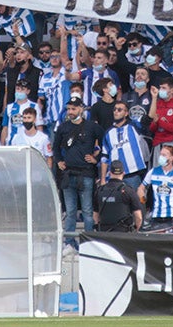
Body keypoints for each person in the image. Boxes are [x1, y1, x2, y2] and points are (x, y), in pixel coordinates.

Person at [53, 98, 102, 239]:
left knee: (87, 211)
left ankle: (88, 242)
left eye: (73, 109)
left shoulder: (92, 127)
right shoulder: (63, 127)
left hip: (86, 173)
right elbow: (55, 147)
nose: (70, 112)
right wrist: (59, 161)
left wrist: (96, 159)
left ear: (81, 108)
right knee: (70, 212)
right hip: (68, 174)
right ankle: (69, 242)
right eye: (68, 109)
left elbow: (106, 144)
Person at [138, 145, 173, 230]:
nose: (161, 157)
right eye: (160, 154)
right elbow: (140, 188)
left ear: (172, 158)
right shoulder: (153, 172)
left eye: (164, 155)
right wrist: (142, 198)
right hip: (156, 217)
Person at [94, 160, 143, 232]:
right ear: (123, 173)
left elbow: (95, 216)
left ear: (110, 173)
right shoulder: (128, 191)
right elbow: (139, 217)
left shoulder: (100, 190)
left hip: (104, 234)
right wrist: (136, 229)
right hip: (123, 235)